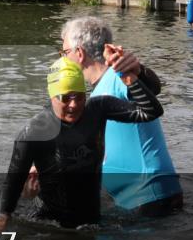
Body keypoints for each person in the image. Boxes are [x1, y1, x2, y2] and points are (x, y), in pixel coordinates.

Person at [0, 57, 164, 232]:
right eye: (65, 98)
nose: (73, 105)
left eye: (79, 97)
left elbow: (151, 112)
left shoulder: (98, 108)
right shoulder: (34, 132)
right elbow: (13, 181)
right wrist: (2, 217)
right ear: (52, 96)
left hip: (91, 221)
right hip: (49, 224)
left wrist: (130, 79)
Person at [59, 17, 182, 216]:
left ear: (79, 53)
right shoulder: (101, 90)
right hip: (143, 197)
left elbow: (152, 88)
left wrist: (139, 71)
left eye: (65, 53)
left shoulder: (117, 77)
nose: (63, 60)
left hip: (147, 198)